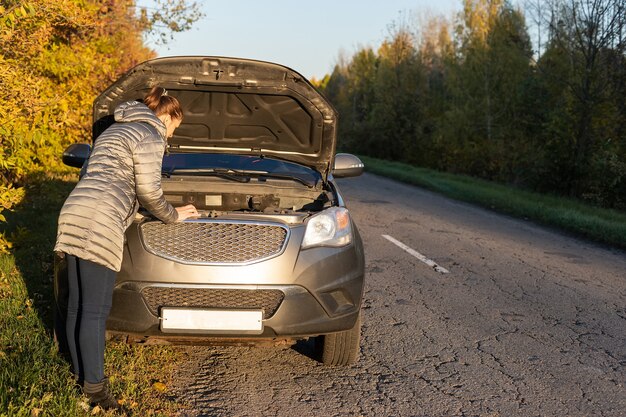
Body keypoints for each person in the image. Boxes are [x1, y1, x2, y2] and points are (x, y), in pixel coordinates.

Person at [54, 86, 198, 411]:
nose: (172, 134)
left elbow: (112, 179)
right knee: (94, 311)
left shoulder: (115, 129)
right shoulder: (151, 133)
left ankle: (79, 378)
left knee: (78, 305)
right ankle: (96, 393)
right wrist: (173, 215)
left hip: (76, 209)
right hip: (100, 218)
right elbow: (148, 190)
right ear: (168, 115)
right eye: (175, 126)